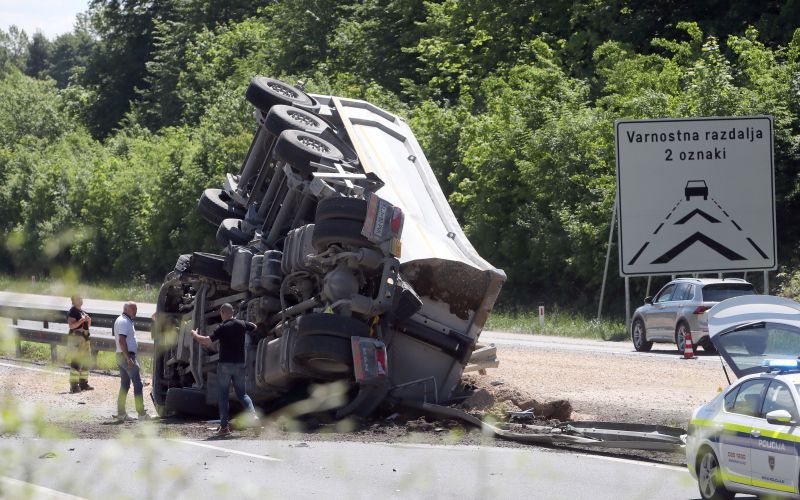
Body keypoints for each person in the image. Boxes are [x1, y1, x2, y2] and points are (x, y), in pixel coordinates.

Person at [192, 303, 257, 437]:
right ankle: (253, 416)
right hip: (239, 364)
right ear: (232, 312)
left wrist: (195, 335)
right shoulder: (241, 324)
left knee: (223, 396)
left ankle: (224, 427)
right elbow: (254, 327)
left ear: (222, 313)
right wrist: (245, 323)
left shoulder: (222, 327)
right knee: (242, 394)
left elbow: (207, 341)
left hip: (225, 366)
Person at [113, 301, 151, 421]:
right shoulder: (124, 321)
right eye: (133, 309)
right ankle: (141, 414)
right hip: (126, 357)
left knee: (125, 384)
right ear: (127, 309)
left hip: (121, 356)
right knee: (138, 384)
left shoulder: (124, 320)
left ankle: (121, 413)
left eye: (136, 308)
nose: (136, 311)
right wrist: (128, 358)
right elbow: (122, 341)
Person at [66, 295, 93, 393]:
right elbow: (71, 325)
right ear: (73, 301)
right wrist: (82, 320)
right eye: (78, 298)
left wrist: (88, 320)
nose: (81, 300)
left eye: (81, 298)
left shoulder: (82, 311)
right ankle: (73, 385)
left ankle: (83, 383)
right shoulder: (72, 311)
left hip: (84, 338)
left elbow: (87, 326)